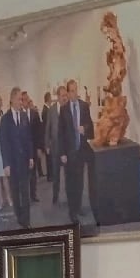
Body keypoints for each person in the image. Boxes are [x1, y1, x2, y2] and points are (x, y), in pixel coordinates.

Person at [58, 78, 95, 223]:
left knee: (80, 182)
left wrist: (84, 128)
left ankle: (78, 206)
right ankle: (72, 211)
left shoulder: (84, 106)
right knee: (70, 183)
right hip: (69, 153)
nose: (74, 93)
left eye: (75, 90)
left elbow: (91, 127)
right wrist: (62, 153)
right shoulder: (64, 110)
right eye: (71, 91)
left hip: (81, 151)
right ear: (68, 92)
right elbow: (60, 133)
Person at [1, 88, 35, 228]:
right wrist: (6, 164)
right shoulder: (5, 119)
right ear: (12, 99)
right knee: (15, 192)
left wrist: (31, 157)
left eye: (22, 99)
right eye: (19, 99)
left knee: (25, 192)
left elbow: (29, 138)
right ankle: (19, 215)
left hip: (24, 160)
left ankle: (27, 220)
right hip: (12, 163)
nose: (21, 102)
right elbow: (3, 142)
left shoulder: (24, 116)